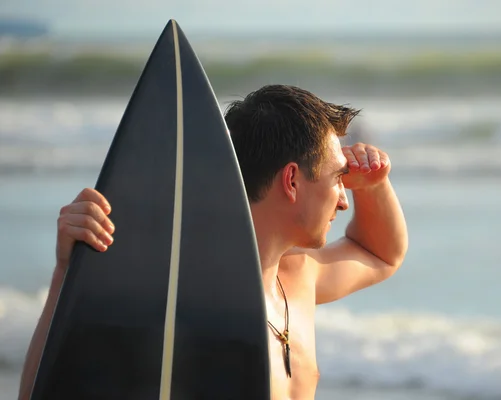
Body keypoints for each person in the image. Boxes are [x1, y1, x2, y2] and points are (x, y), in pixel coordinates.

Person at [19, 84, 408, 400]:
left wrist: (374, 186)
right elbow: (49, 392)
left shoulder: (298, 277)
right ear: (291, 181)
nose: (344, 198)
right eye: (338, 180)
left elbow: (381, 254)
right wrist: (69, 275)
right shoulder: (175, 297)